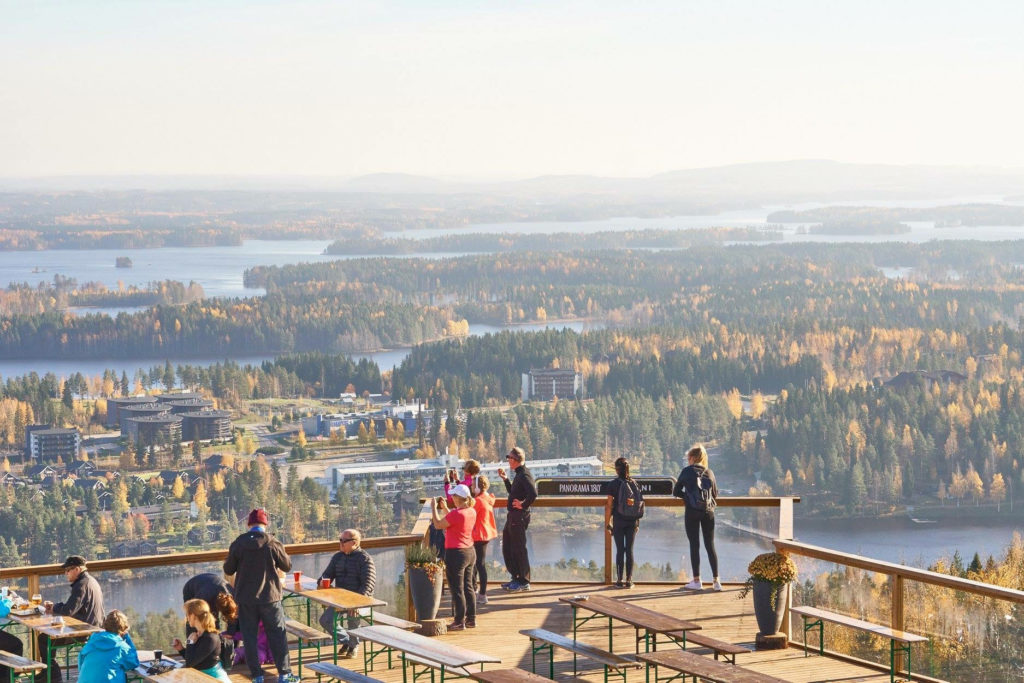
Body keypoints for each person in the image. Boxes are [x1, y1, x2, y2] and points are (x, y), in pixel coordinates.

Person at [223, 508, 298, 683]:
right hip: (270, 597)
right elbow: (287, 566)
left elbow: (228, 569)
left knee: (249, 637)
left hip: (245, 599)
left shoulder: (239, 543)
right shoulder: (272, 542)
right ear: (265, 524)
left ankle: (257, 675)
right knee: (277, 634)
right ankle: (284, 675)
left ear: (249, 524)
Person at [39, 555, 105, 683]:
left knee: (44, 639)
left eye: (68, 570)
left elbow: (68, 611)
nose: (65, 573)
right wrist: (56, 607)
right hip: (94, 627)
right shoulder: (90, 580)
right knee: (46, 637)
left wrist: (54, 608)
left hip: (84, 632)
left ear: (77, 569)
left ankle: (53, 675)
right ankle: (48, 673)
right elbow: (73, 607)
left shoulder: (80, 585)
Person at [317, 528, 376, 659]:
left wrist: (356, 604)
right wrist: (321, 581)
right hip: (341, 600)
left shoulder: (365, 559)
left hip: (360, 601)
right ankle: (348, 641)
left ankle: (354, 647)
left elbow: (368, 585)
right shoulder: (338, 557)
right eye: (340, 540)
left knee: (352, 619)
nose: (341, 543)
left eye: (344, 540)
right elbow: (327, 575)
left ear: (354, 543)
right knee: (325, 620)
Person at [673, 445, 721, 591]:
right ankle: (716, 581)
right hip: (708, 512)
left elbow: (676, 491)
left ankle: (696, 581)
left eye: (688, 458)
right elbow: (715, 494)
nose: (688, 461)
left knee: (695, 545)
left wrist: (688, 498)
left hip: (692, 511)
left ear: (693, 458)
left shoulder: (687, 472)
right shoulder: (709, 472)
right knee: (710, 545)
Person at [431, 484, 477, 630]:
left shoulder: (456, 514)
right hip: (469, 551)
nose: (451, 497)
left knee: (457, 589)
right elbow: (454, 520)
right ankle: (471, 619)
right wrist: (445, 509)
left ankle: (459, 621)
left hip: (455, 553)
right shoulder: (471, 511)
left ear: (458, 498)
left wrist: (433, 507)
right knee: (468, 587)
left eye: (453, 495)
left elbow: (438, 524)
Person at [497, 446, 537, 592]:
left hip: (519, 516)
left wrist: (523, 505)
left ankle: (524, 581)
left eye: (510, 458)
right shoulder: (519, 474)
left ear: (516, 460)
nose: (508, 460)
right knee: (508, 547)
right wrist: (506, 480)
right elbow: (513, 492)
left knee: (519, 548)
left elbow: (533, 494)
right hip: (513, 516)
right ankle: (516, 577)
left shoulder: (525, 474)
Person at [182, 573, 237, 667]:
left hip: (210, 585)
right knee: (194, 623)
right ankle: (194, 657)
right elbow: (197, 620)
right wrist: (191, 640)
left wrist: (230, 633)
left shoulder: (232, 597)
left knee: (213, 629)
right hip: (191, 588)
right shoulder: (203, 598)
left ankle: (215, 654)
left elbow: (234, 617)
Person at [172, 599, 232, 683]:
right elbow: (194, 658)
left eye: (187, 614)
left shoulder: (210, 638)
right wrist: (181, 649)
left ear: (193, 616)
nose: (186, 618)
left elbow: (190, 663)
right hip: (201, 677)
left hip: (214, 679)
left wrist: (190, 642)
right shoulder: (199, 634)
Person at [606, 457, 642, 588]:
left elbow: (609, 505)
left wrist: (608, 522)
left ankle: (619, 580)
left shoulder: (613, 484)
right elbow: (638, 505)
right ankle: (629, 580)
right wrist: (637, 523)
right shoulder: (635, 483)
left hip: (619, 521)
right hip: (632, 521)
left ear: (616, 470)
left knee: (620, 550)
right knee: (630, 550)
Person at [77, 610, 139, 683]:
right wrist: (128, 640)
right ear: (124, 629)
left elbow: (80, 660)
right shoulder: (121, 647)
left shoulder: (92, 641)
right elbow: (134, 663)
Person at [470, 475, 497, 605]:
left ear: (477, 487)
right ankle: (480, 592)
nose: (470, 487)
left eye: (472, 486)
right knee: (480, 563)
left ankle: (480, 593)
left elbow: (469, 513)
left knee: (477, 564)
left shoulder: (478, 501)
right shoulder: (488, 498)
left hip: (478, 534)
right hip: (485, 533)